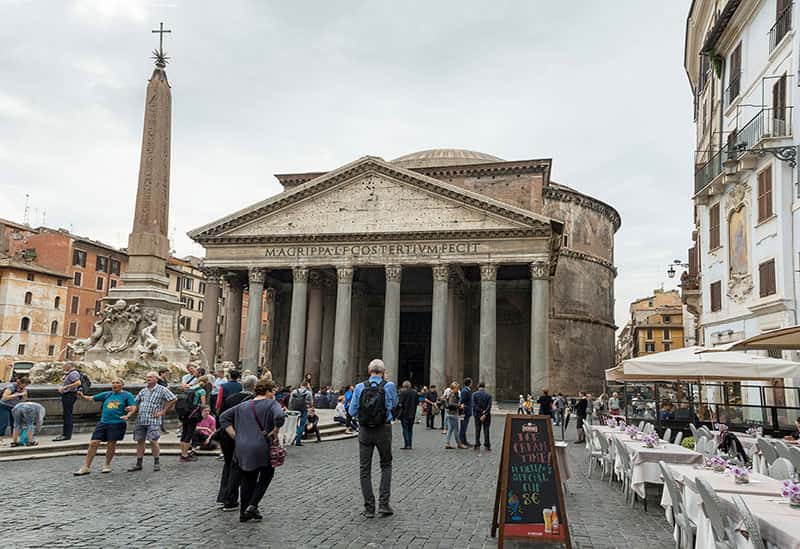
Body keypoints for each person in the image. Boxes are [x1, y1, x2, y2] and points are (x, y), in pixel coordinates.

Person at [220, 378, 285, 522]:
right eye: (272, 391)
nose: (273, 393)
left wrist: (236, 436)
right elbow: (280, 416)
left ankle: (244, 513)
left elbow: (223, 417)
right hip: (261, 445)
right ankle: (252, 505)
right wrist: (275, 430)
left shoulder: (243, 405)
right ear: (268, 391)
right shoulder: (272, 404)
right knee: (267, 474)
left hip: (241, 447)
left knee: (248, 477)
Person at [348, 359, 397, 518]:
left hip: (365, 431)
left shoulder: (360, 387)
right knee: (386, 465)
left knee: (365, 469)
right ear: (383, 372)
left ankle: (369, 508)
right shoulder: (389, 386)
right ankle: (384, 505)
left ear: (369, 371)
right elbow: (394, 405)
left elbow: (352, 411)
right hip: (384, 429)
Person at [74, 378, 136, 475]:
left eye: (117, 383)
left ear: (122, 385)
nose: (114, 384)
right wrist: (82, 396)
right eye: (113, 383)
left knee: (111, 444)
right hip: (103, 422)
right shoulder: (107, 394)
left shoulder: (127, 395)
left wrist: (128, 415)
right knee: (93, 443)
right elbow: (91, 398)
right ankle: (86, 467)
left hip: (117, 422)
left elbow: (133, 407)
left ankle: (107, 465)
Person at [216, 375, 257, 511]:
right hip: (240, 436)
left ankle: (223, 496)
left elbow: (219, 416)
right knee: (238, 467)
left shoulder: (231, 398)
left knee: (228, 465)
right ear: (255, 387)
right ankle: (231, 499)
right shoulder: (252, 401)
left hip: (226, 436)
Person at [128, 371, 177, 472]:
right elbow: (135, 402)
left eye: (150, 377)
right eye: (147, 377)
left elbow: (173, 399)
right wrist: (130, 409)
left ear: (156, 379)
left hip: (153, 420)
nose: (148, 379)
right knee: (140, 441)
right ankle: (139, 463)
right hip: (141, 419)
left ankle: (156, 462)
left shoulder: (162, 390)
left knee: (153, 440)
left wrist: (163, 411)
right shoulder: (143, 390)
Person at [53, 362, 82, 441]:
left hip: (69, 395)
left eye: (65, 366)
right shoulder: (71, 373)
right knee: (67, 414)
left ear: (69, 366)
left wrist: (65, 387)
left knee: (67, 415)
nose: (64, 367)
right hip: (69, 395)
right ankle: (65, 434)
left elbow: (78, 383)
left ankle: (66, 435)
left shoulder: (73, 373)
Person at [179, 382, 206, 462]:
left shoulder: (189, 390)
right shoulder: (201, 391)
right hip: (193, 414)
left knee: (184, 434)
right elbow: (203, 404)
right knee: (189, 434)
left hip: (185, 413)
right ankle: (185, 455)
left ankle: (182, 453)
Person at [290, 382, 313, 446]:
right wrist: (310, 407)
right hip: (304, 409)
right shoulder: (308, 392)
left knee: (295, 424)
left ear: (300, 385)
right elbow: (311, 403)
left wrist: (291, 409)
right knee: (302, 425)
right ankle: (298, 441)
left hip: (295, 409)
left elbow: (290, 401)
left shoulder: (294, 391)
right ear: (307, 386)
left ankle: (293, 438)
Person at [471, 381, 492, 451]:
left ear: (478, 386)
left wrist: (480, 411)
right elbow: (489, 406)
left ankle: (477, 444)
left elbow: (474, 405)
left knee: (477, 429)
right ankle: (487, 445)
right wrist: (485, 413)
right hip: (487, 415)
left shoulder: (474, 394)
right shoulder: (488, 395)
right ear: (484, 387)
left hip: (477, 415)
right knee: (486, 430)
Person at [397, 380, 417, 449]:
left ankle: (407, 444)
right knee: (410, 430)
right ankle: (410, 444)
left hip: (405, 414)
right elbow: (416, 403)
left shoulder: (403, 393)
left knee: (405, 429)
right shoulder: (415, 393)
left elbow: (400, 403)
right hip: (412, 414)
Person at [443, 382, 460, 449]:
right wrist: (459, 406)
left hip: (450, 413)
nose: (458, 389)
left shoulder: (452, 394)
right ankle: (459, 443)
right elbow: (451, 404)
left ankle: (447, 443)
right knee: (456, 430)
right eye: (457, 388)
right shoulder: (452, 395)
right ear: (454, 388)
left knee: (450, 429)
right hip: (453, 413)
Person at [458, 377, 473, 449]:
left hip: (466, 411)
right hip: (464, 412)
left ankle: (464, 441)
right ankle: (461, 442)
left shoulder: (466, 390)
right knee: (463, 427)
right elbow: (462, 401)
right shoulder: (465, 391)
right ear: (469, 383)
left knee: (464, 427)